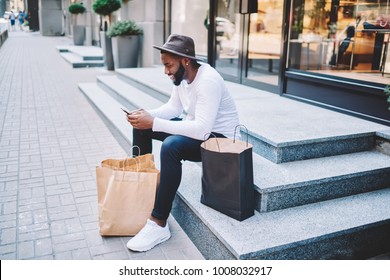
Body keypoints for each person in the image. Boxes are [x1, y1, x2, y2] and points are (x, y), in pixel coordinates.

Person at [125, 34, 240, 252]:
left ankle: (158, 223)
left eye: (169, 65)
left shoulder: (208, 80)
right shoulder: (181, 78)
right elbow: (173, 109)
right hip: (201, 132)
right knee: (141, 127)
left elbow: (202, 130)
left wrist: (155, 122)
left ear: (185, 61)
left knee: (171, 147)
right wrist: (145, 116)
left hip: (221, 142)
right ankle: (142, 192)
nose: (166, 71)